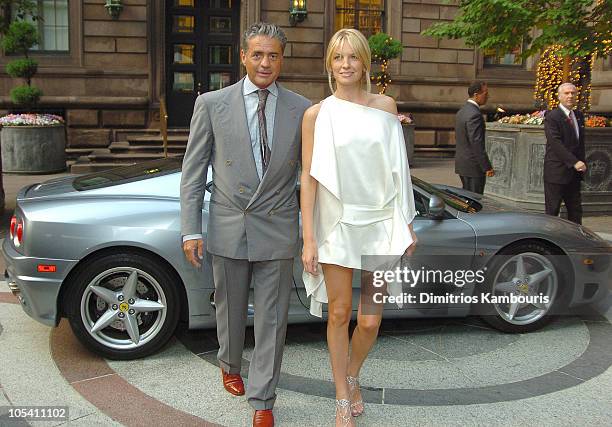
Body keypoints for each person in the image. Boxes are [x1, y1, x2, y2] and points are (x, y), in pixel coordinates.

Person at [180, 22, 310, 427]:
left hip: (278, 223)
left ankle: (263, 401)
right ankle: (229, 362)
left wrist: (314, 230)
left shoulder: (302, 108)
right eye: (258, 54)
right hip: (228, 220)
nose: (265, 62)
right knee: (230, 307)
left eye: (273, 55)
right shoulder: (212, 103)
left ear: (282, 59)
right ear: (243, 56)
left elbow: (311, 174)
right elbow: (193, 169)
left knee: (272, 316)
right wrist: (190, 228)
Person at [300, 29, 418, 427]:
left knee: (369, 319)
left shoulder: (386, 107)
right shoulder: (317, 114)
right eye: (338, 57)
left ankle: (353, 377)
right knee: (339, 313)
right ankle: (339, 396)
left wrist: (406, 223)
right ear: (329, 64)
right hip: (337, 224)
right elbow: (309, 178)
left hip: (381, 222)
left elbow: (399, 169)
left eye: (353, 57)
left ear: (365, 62)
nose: (346, 64)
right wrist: (309, 238)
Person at [543, 82, 587, 224]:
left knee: (575, 210)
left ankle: (577, 241)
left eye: (573, 93)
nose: (570, 96)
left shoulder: (579, 116)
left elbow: (579, 144)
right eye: (566, 93)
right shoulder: (552, 116)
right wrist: (574, 162)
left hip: (574, 174)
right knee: (552, 211)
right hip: (557, 172)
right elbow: (556, 143)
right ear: (559, 96)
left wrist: (581, 164)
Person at [454, 81, 495, 194]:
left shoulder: (462, 111)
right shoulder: (475, 114)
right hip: (473, 167)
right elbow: (476, 143)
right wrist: (487, 167)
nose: (488, 96)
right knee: (474, 200)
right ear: (476, 95)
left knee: (467, 198)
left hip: (463, 164)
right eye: (485, 93)